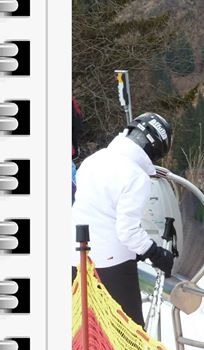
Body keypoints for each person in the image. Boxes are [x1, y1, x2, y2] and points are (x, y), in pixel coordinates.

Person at [72, 112, 176, 328]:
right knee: (129, 332)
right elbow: (127, 230)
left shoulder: (93, 160)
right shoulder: (136, 176)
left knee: (85, 329)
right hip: (111, 264)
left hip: (76, 257)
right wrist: (154, 252)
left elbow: (96, 210)